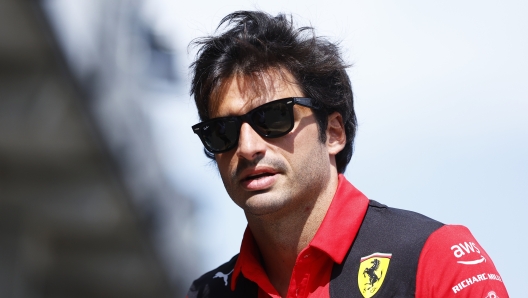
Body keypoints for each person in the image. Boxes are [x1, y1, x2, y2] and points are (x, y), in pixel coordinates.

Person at [186, 10, 508, 298]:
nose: (247, 147)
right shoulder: (208, 292)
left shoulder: (435, 258)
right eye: (223, 131)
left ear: (334, 133)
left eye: (273, 118)